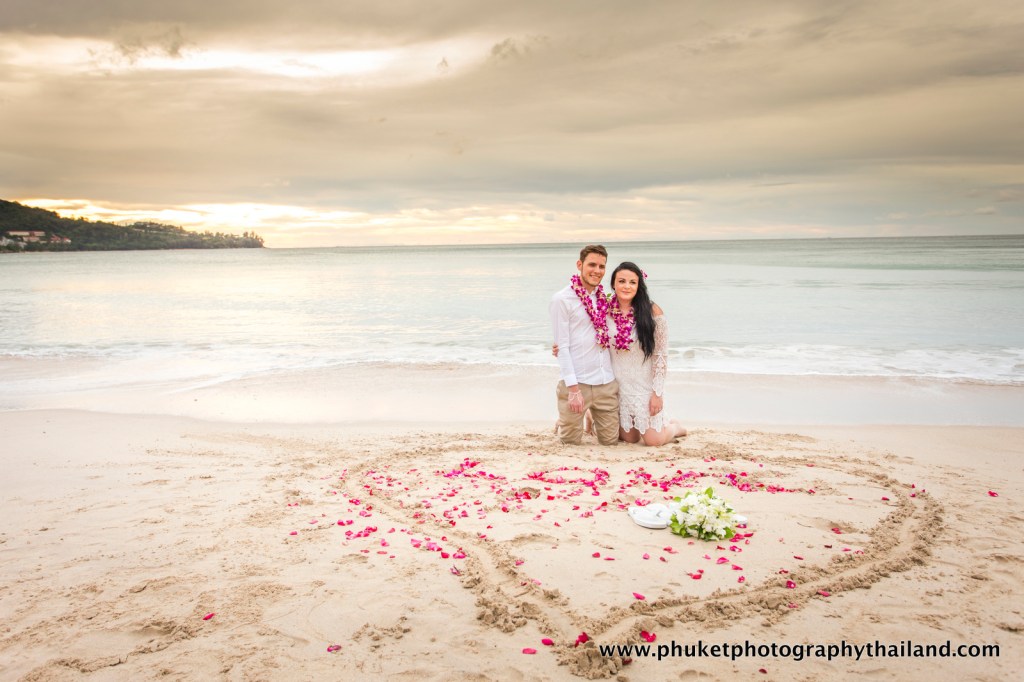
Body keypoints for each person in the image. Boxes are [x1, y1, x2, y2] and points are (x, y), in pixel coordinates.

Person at [555, 261, 686, 446]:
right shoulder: (604, 310)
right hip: (617, 387)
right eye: (622, 281)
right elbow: (585, 336)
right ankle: (593, 414)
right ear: (613, 284)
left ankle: (674, 426)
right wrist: (559, 346)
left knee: (654, 441)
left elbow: (661, 356)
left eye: (632, 282)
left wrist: (657, 393)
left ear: (639, 285)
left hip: (644, 387)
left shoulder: (652, 311)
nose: (627, 286)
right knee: (629, 438)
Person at [549, 245, 620, 446]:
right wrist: (573, 390)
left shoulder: (604, 299)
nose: (597, 270)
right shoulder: (562, 300)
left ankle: (591, 416)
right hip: (576, 383)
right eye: (592, 265)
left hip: (605, 382)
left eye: (602, 266)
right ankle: (579, 413)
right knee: (570, 441)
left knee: (611, 441)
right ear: (579, 265)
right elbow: (561, 346)